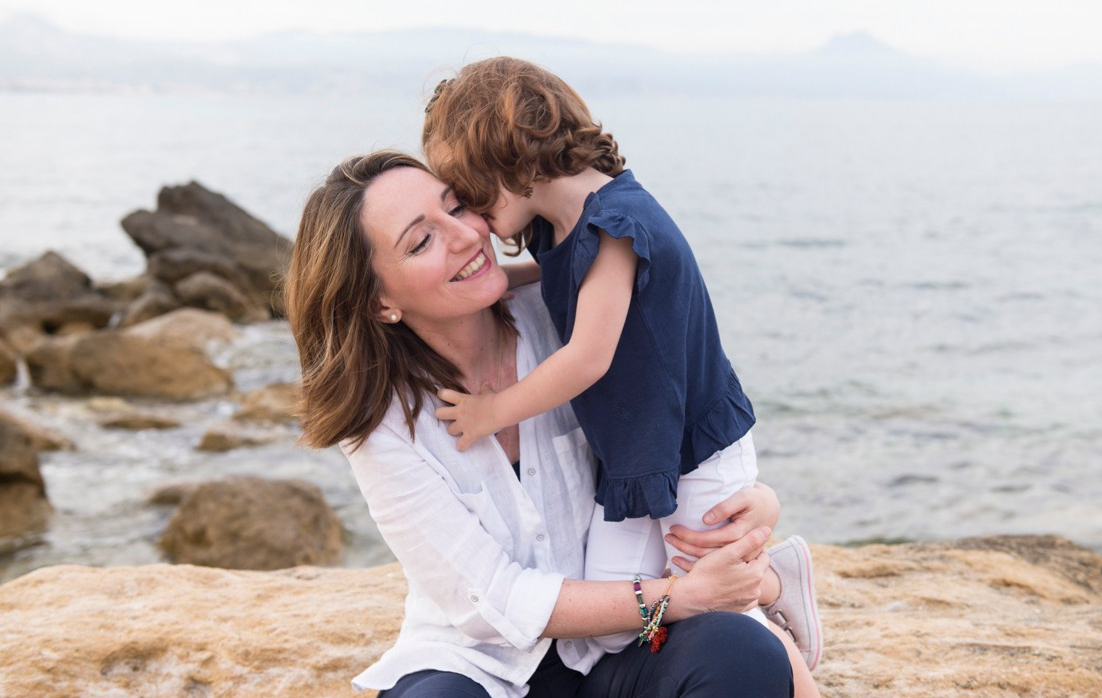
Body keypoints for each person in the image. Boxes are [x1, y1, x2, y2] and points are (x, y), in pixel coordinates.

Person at [285, 150, 800, 698]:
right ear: (380, 300)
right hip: (481, 666)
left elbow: (679, 414)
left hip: (629, 641)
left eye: (457, 207)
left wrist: (757, 501)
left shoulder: (574, 322)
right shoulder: (378, 421)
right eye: (421, 241)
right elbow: (490, 600)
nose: (462, 236)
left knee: (741, 654)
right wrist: (678, 596)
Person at [422, 57, 821, 682]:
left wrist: (493, 411)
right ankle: (763, 586)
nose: (471, 216)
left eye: (468, 192)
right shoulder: (560, 225)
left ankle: (771, 591)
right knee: (610, 632)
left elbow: (588, 356)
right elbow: (559, 280)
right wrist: (489, 284)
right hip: (637, 448)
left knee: (719, 596)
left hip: (693, 445)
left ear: (508, 162)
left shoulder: (616, 226)